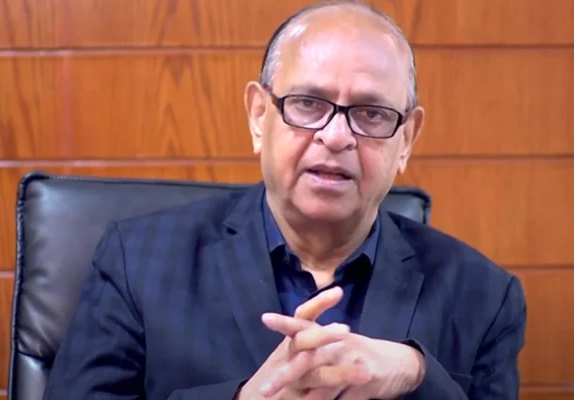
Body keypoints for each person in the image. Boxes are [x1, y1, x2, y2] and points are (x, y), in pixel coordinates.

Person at [44, 1, 527, 399]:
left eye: (371, 113)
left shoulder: (483, 297)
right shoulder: (137, 261)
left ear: (406, 140)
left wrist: (416, 374)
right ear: (259, 116)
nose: (336, 136)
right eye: (308, 104)